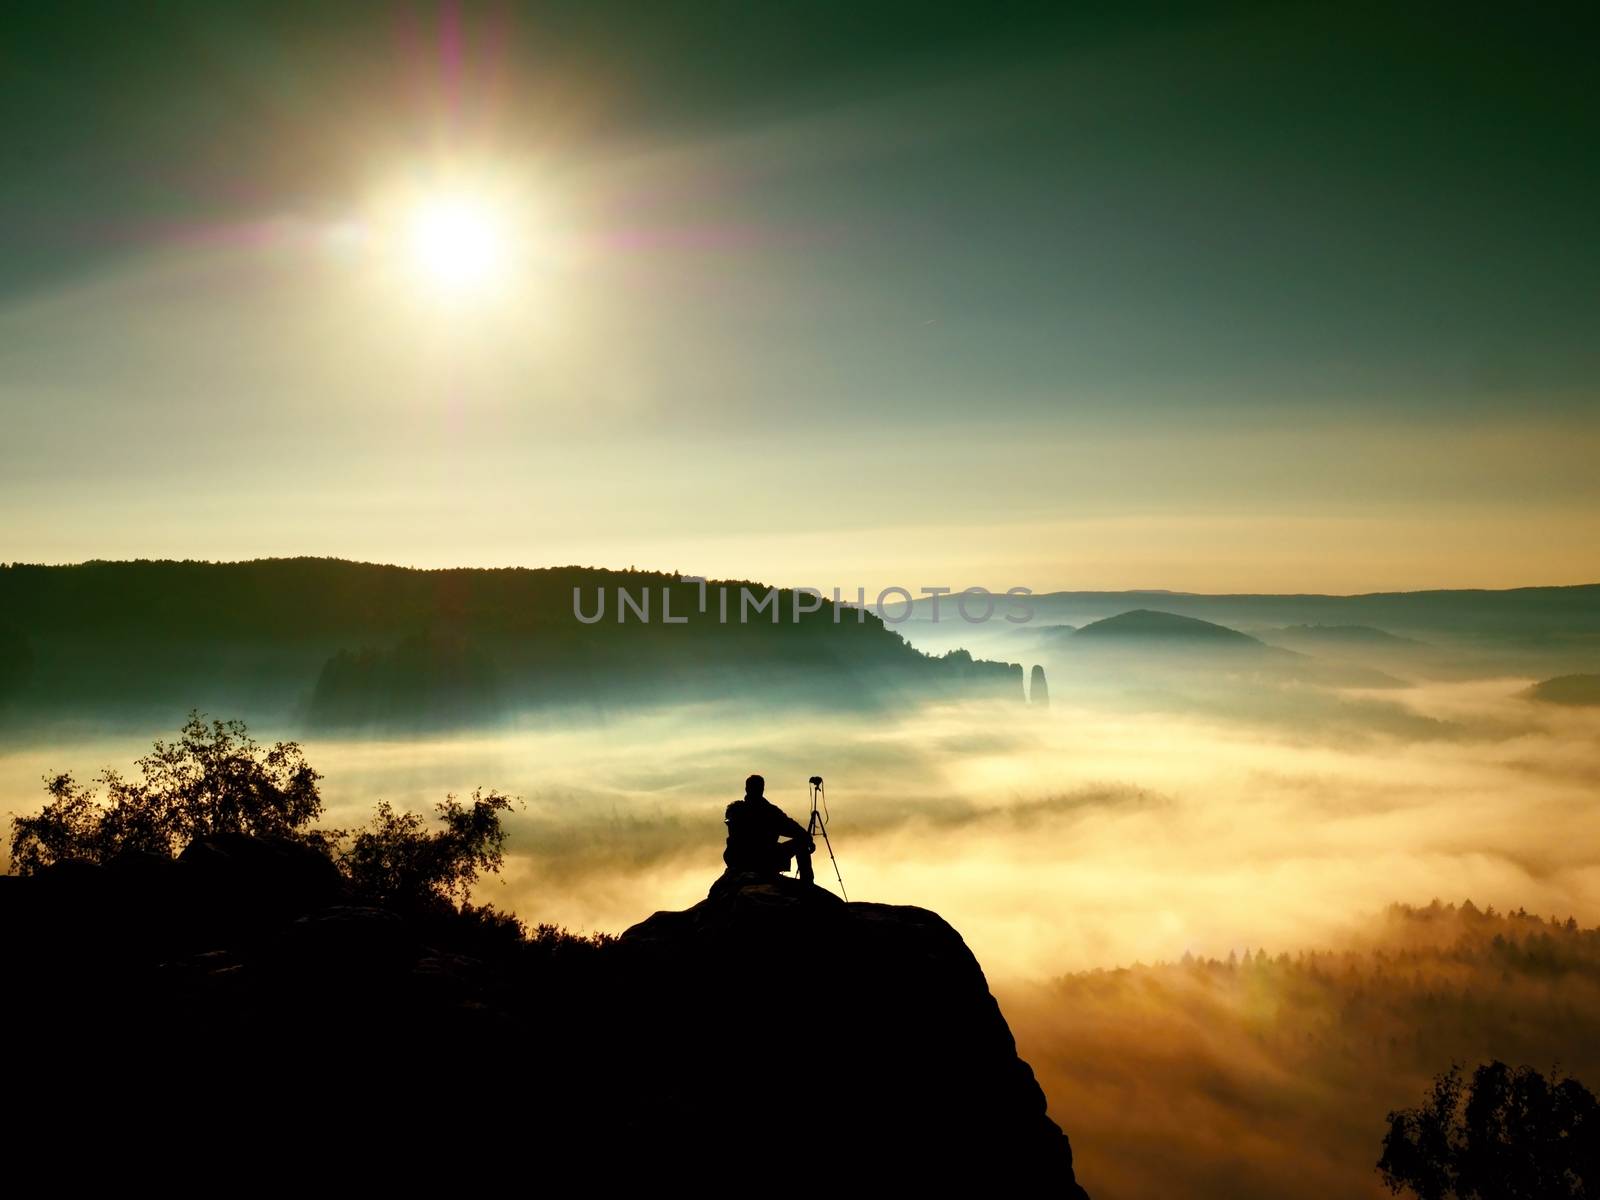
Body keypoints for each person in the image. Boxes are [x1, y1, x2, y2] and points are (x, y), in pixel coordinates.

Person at [723, 774, 814, 883]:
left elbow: (789, 826)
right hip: (765, 859)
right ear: (762, 789)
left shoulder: (736, 809)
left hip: (740, 860)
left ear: (747, 789)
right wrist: (807, 838)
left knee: (802, 839)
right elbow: (791, 827)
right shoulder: (769, 811)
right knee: (802, 842)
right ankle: (807, 883)